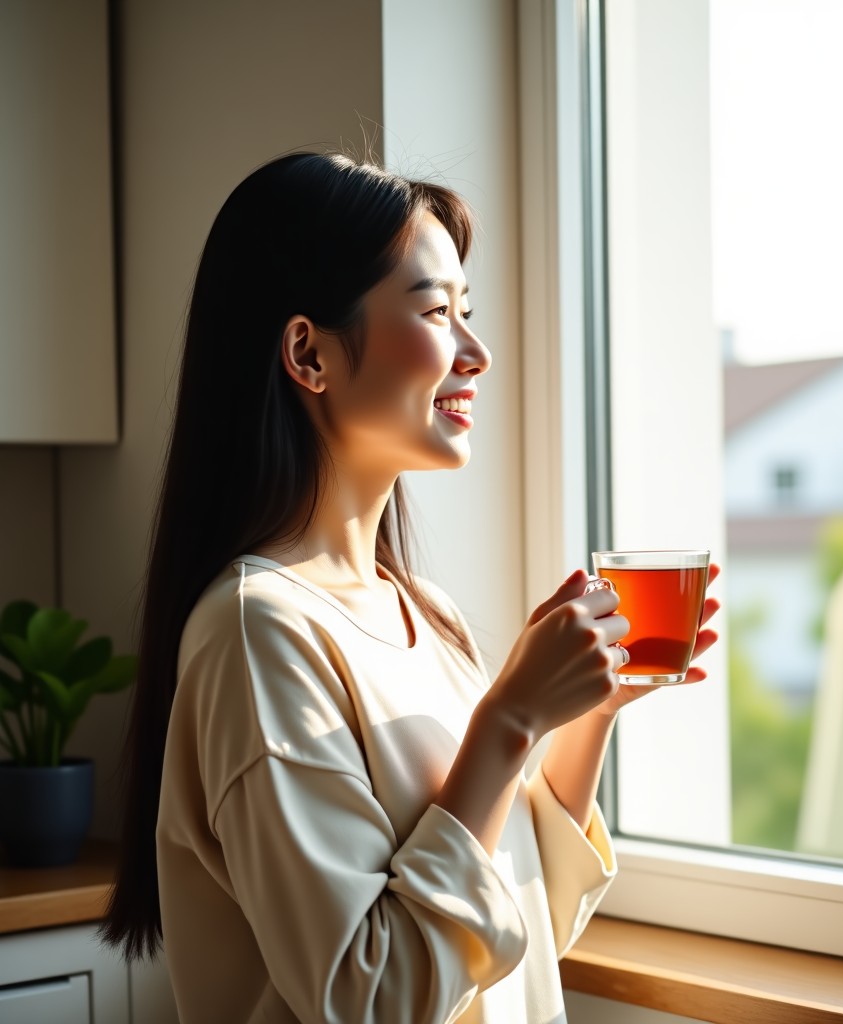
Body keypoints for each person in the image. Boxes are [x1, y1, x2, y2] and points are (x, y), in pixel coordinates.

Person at [101, 152, 719, 1024]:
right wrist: (509, 721)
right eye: (436, 311)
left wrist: (580, 717)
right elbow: (372, 996)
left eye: (468, 312)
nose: (478, 351)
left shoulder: (425, 612)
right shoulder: (258, 632)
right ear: (308, 353)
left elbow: (505, 933)